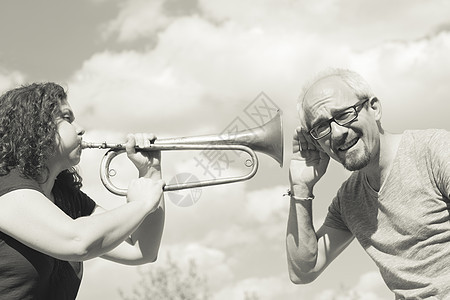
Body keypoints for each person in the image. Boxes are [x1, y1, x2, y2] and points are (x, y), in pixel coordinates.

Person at [286, 68, 450, 299]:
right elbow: (303, 270)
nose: (336, 133)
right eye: (321, 127)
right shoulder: (349, 200)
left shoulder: (435, 150)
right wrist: (300, 188)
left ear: (374, 108)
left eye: (344, 114)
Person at [0, 82, 166, 299]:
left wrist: (151, 172)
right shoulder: (5, 185)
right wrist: (141, 204)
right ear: (35, 127)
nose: (80, 129)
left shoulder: (66, 199)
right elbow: (78, 241)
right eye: (67, 118)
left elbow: (141, 251)